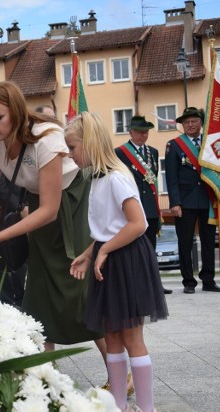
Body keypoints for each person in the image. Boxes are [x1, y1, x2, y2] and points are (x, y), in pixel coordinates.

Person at [0, 81, 105, 359]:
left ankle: (120, 371)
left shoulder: (46, 137)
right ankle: (45, 372)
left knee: (75, 287)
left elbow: (50, 210)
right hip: (40, 202)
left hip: (71, 201)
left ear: (17, 113)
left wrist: (1, 236)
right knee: (39, 290)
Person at [66, 111, 168, 412]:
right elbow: (108, 227)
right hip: (109, 258)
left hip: (127, 260)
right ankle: (119, 405)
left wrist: (105, 250)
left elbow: (137, 224)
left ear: (91, 143)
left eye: (72, 147)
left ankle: (147, 408)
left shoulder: (116, 179)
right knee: (111, 336)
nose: (70, 155)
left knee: (131, 337)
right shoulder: (96, 180)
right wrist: (89, 252)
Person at [165, 107, 220, 294]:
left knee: (207, 242)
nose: (190, 125)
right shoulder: (174, 145)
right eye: (187, 122)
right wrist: (174, 202)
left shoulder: (209, 144)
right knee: (185, 243)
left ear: (200, 123)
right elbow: (171, 177)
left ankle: (208, 280)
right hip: (185, 202)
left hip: (207, 200)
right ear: (182, 124)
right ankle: (188, 281)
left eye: (194, 121)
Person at [115, 115, 173, 295]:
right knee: (132, 249)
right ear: (130, 132)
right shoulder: (120, 152)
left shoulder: (153, 152)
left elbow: (153, 178)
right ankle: (134, 285)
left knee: (150, 249)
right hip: (133, 206)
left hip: (151, 207)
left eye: (146, 132)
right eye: (139, 132)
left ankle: (154, 284)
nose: (143, 135)